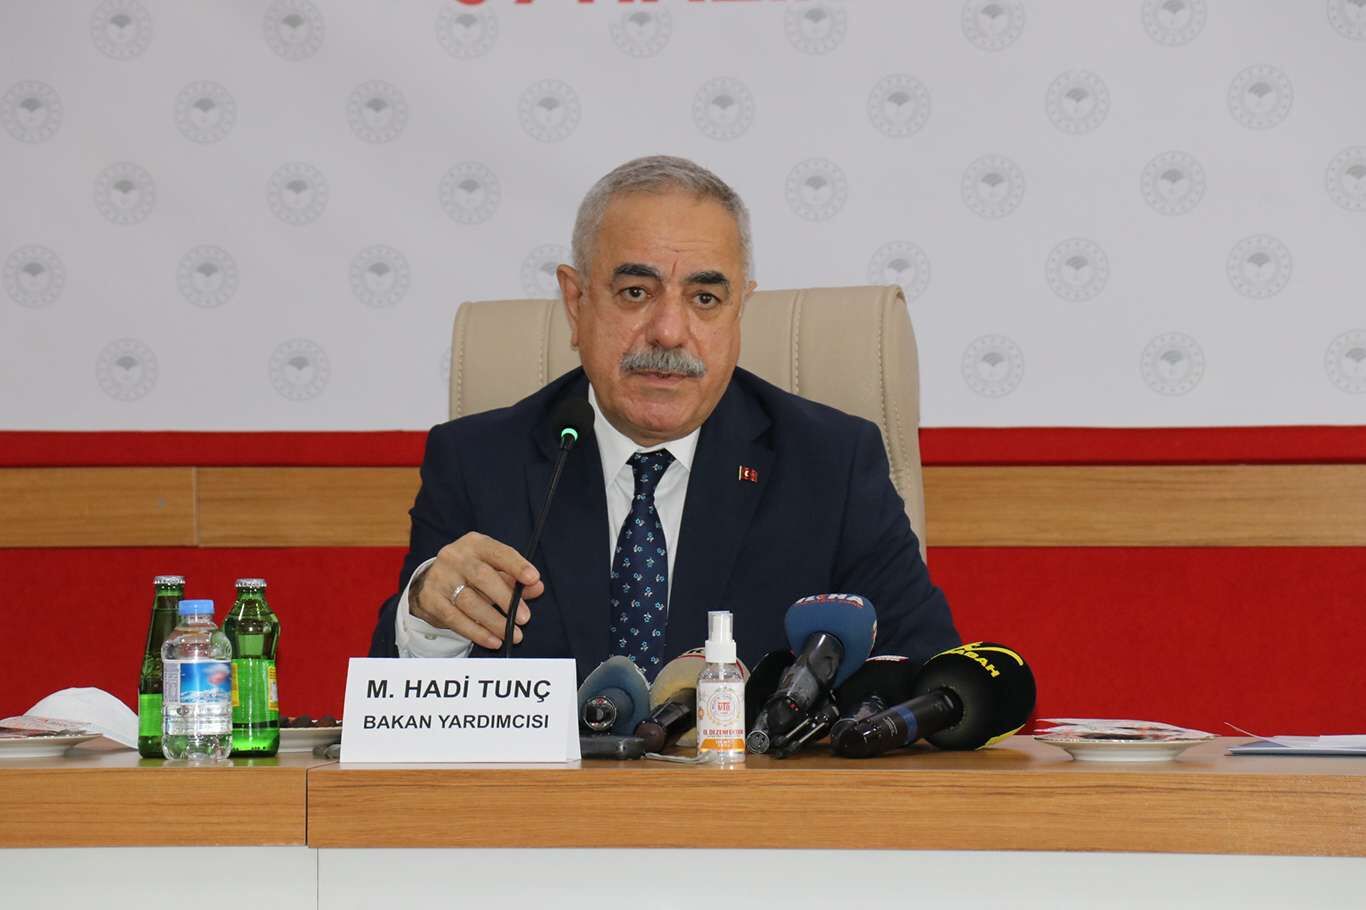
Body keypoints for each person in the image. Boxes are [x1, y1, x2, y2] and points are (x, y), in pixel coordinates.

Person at [368, 155, 958, 680]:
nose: (670, 332)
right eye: (635, 292)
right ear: (576, 302)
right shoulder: (478, 462)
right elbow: (394, 710)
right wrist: (427, 620)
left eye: (705, 299)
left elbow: (927, 676)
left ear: (739, 310)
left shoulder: (831, 464)